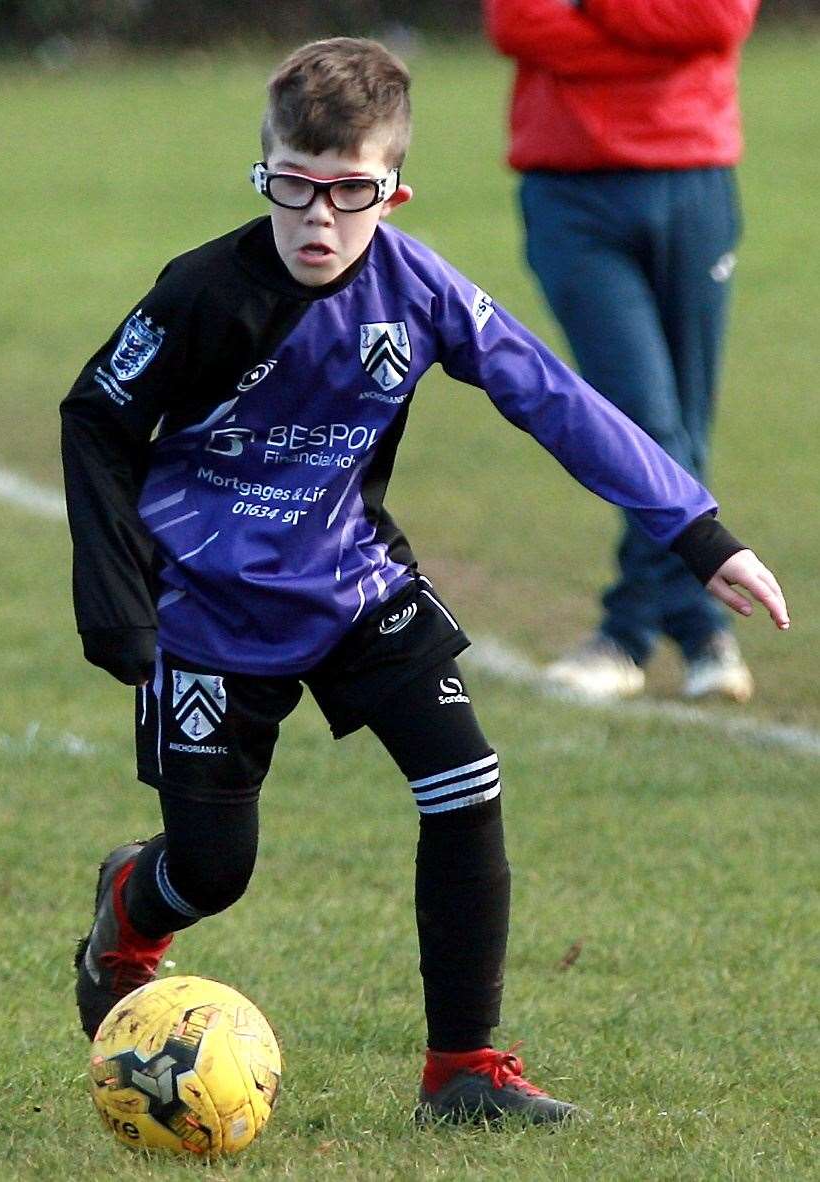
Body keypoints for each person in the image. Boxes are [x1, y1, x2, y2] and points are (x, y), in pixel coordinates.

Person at [60, 37, 788, 1125]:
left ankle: (462, 1071)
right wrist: (117, 602)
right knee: (213, 871)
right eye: (292, 188)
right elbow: (97, 419)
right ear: (264, 171)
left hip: (355, 584)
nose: (316, 220)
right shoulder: (202, 293)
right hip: (207, 611)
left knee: (466, 785)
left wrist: (697, 532)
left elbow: (552, 397)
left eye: (346, 193)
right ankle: (132, 905)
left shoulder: (419, 289)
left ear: (390, 191)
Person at [485, 0, 762, 703]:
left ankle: (653, 632)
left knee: (685, 427)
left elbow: (719, 21)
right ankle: (674, 632)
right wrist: (662, 47)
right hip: (572, 194)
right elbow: (521, 24)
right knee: (644, 417)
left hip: (694, 179)